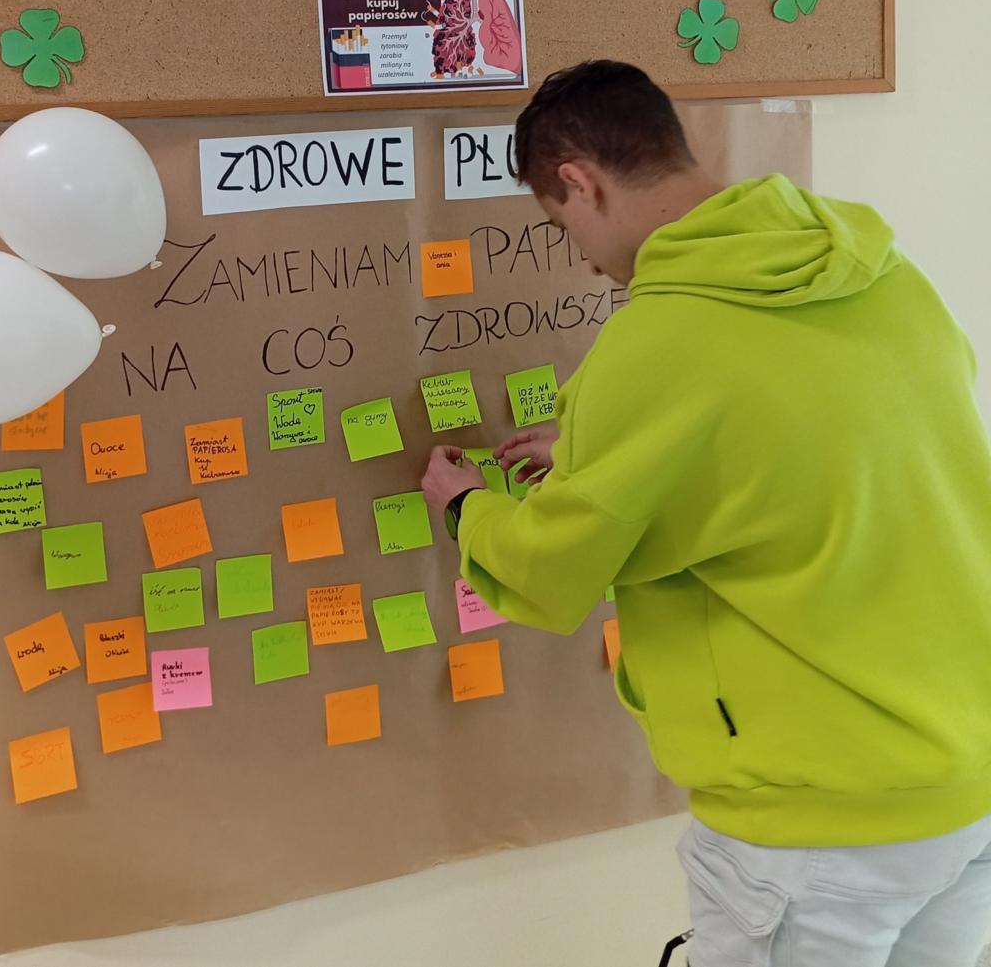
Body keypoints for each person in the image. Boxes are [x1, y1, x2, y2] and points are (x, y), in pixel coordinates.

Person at [420, 59, 991, 966]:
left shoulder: (657, 339)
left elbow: (550, 568)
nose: (579, 255)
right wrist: (600, 449)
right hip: (964, 779)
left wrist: (466, 511)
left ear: (580, 181)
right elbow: (815, 434)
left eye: (560, 223)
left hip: (818, 819)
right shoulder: (878, 275)